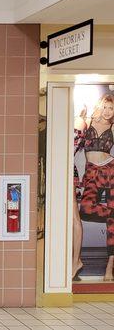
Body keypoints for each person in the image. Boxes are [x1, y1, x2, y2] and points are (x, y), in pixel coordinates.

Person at [75, 93, 114, 281]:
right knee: (85, 211)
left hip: (109, 171)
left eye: (112, 108)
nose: (108, 112)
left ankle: (109, 267)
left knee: (112, 221)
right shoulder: (87, 122)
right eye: (105, 107)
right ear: (100, 106)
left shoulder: (113, 126)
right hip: (91, 173)